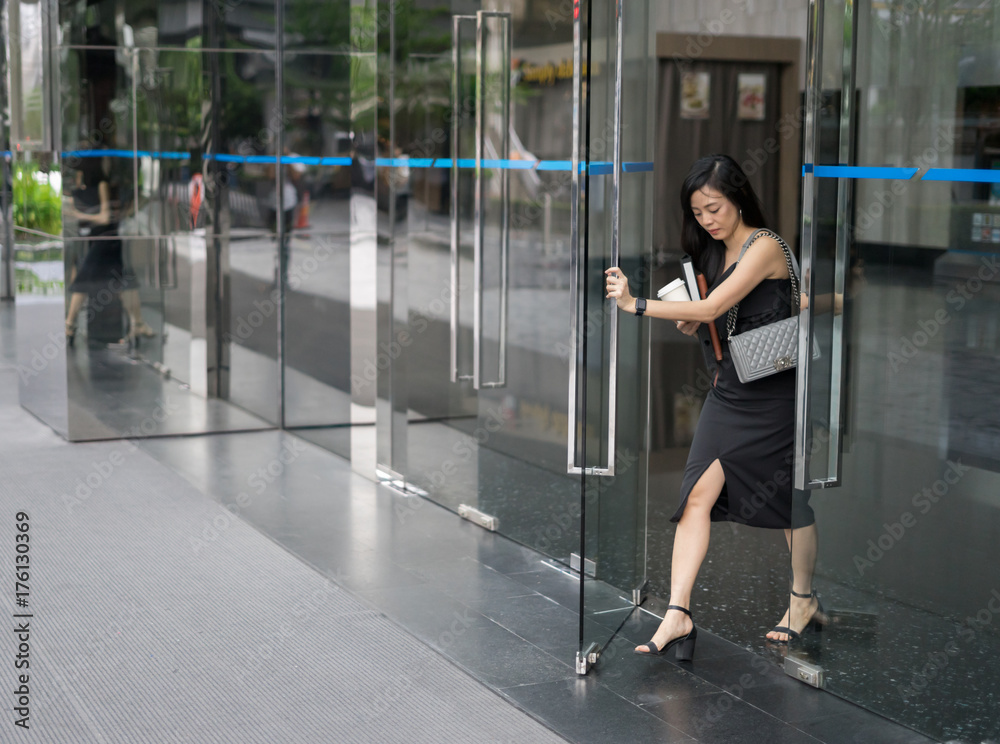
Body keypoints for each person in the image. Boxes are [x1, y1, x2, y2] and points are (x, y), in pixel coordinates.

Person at [604, 154, 825, 659]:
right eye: (698, 211)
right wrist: (691, 321)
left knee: (790, 505)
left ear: (738, 198)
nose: (707, 219)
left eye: (714, 207)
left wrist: (635, 304)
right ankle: (677, 613)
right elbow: (714, 317)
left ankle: (803, 600)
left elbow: (711, 307)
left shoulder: (764, 245)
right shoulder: (712, 254)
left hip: (774, 392)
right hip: (731, 391)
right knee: (696, 496)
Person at [64, 156, 153, 344]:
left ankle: (69, 325)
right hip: (91, 241)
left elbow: (105, 218)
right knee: (123, 281)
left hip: (106, 242)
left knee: (86, 280)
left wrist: (76, 214)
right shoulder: (77, 189)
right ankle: (138, 324)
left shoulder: (102, 185)